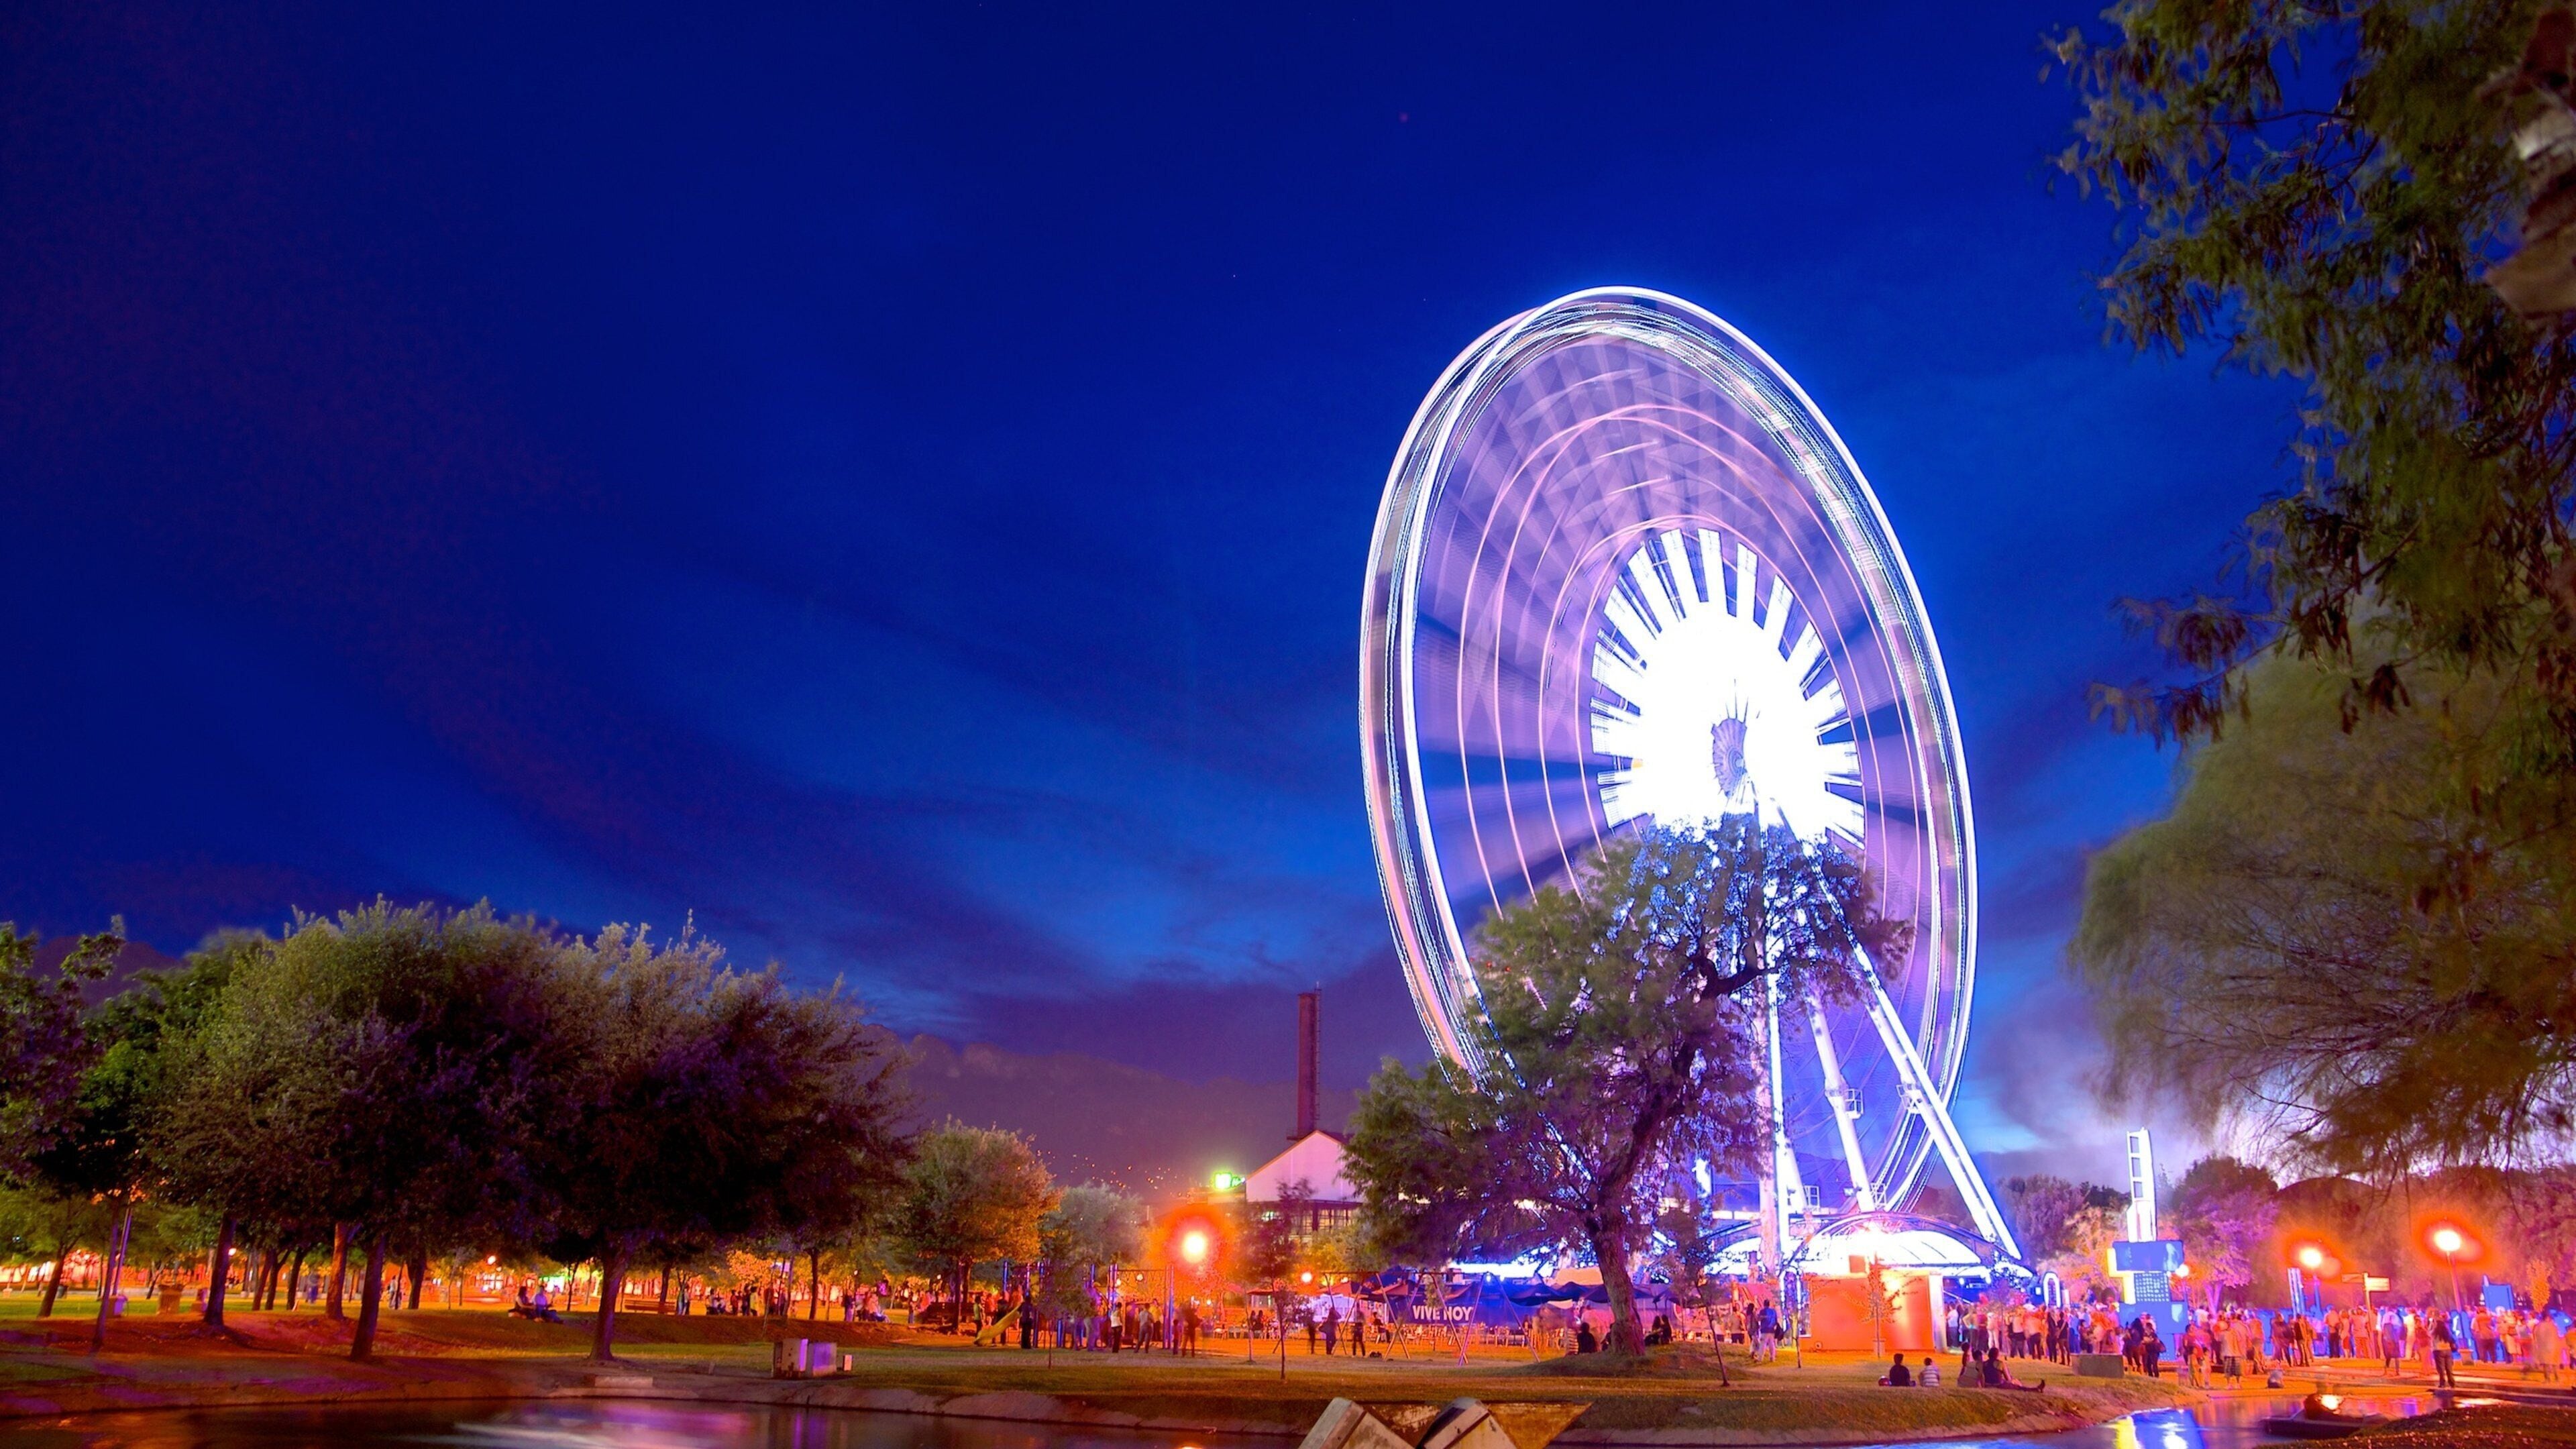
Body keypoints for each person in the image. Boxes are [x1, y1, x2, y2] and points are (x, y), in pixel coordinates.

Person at [2432, 1314, 2458, 1389]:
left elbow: (2429, 1334)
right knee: (2449, 1368)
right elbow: (2452, 1339)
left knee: (2441, 1369)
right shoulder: (2447, 1332)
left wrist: (2432, 1325)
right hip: (2448, 1350)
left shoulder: (2435, 1332)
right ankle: (2452, 1383)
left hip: (2438, 1350)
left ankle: (2442, 1383)